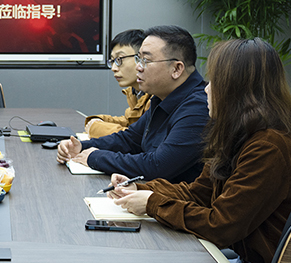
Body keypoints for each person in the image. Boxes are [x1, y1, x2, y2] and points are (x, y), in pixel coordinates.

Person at [109, 38, 291, 263]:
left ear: (236, 90)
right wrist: (140, 188)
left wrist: (152, 203)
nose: (206, 89)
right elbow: (198, 193)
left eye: (215, 82)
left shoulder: (268, 146)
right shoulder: (238, 135)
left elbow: (220, 226)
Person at [57, 25, 208, 183]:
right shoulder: (162, 98)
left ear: (176, 69)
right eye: (138, 59)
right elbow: (130, 139)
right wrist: (81, 146)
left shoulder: (198, 107)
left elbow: (157, 166)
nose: (138, 67)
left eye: (146, 60)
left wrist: (95, 157)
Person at [84, 29, 152, 138]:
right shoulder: (135, 92)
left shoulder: (156, 95)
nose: (114, 68)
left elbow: (140, 138)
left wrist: (96, 128)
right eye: (113, 61)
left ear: (141, 58)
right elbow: (129, 121)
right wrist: (97, 120)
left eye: (119, 59)